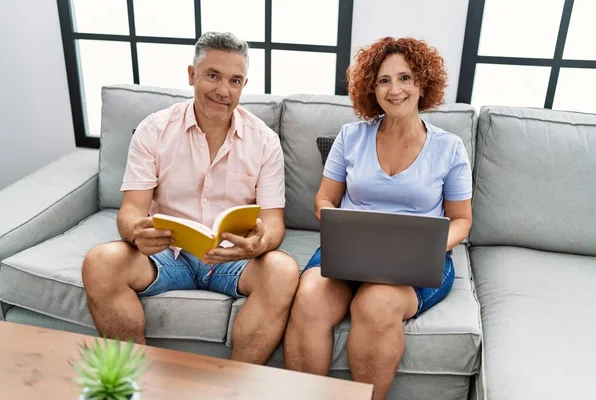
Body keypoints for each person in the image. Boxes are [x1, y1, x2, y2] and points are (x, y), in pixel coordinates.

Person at [82, 32, 299, 365]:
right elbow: (130, 212)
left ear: (243, 85)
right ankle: (135, 380)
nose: (223, 91)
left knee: (283, 269)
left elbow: (272, 222)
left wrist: (260, 243)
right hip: (169, 256)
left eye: (235, 80)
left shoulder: (264, 141)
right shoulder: (154, 129)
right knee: (100, 262)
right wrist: (137, 233)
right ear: (191, 75)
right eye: (213, 75)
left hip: (233, 260)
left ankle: (237, 387)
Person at [283, 37, 473, 399]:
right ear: (371, 88)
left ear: (422, 83)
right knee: (309, 297)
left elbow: (462, 220)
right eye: (384, 80)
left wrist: (431, 245)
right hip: (350, 252)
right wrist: (338, 224)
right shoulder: (350, 137)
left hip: (417, 261)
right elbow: (325, 198)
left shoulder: (449, 148)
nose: (395, 89)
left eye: (405, 78)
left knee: (375, 303)